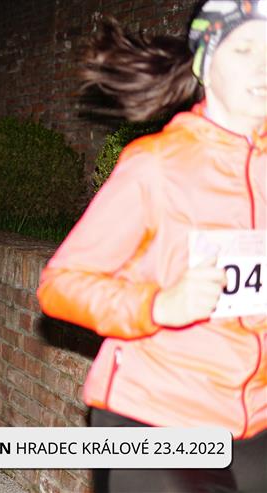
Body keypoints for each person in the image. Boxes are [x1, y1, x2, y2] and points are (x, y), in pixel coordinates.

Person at [37, 1, 266, 491]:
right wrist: (160, 304)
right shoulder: (157, 164)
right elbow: (60, 285)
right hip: (155, 413)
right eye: (245, 49)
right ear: (205, 62)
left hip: (256, 423)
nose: (263, 67)